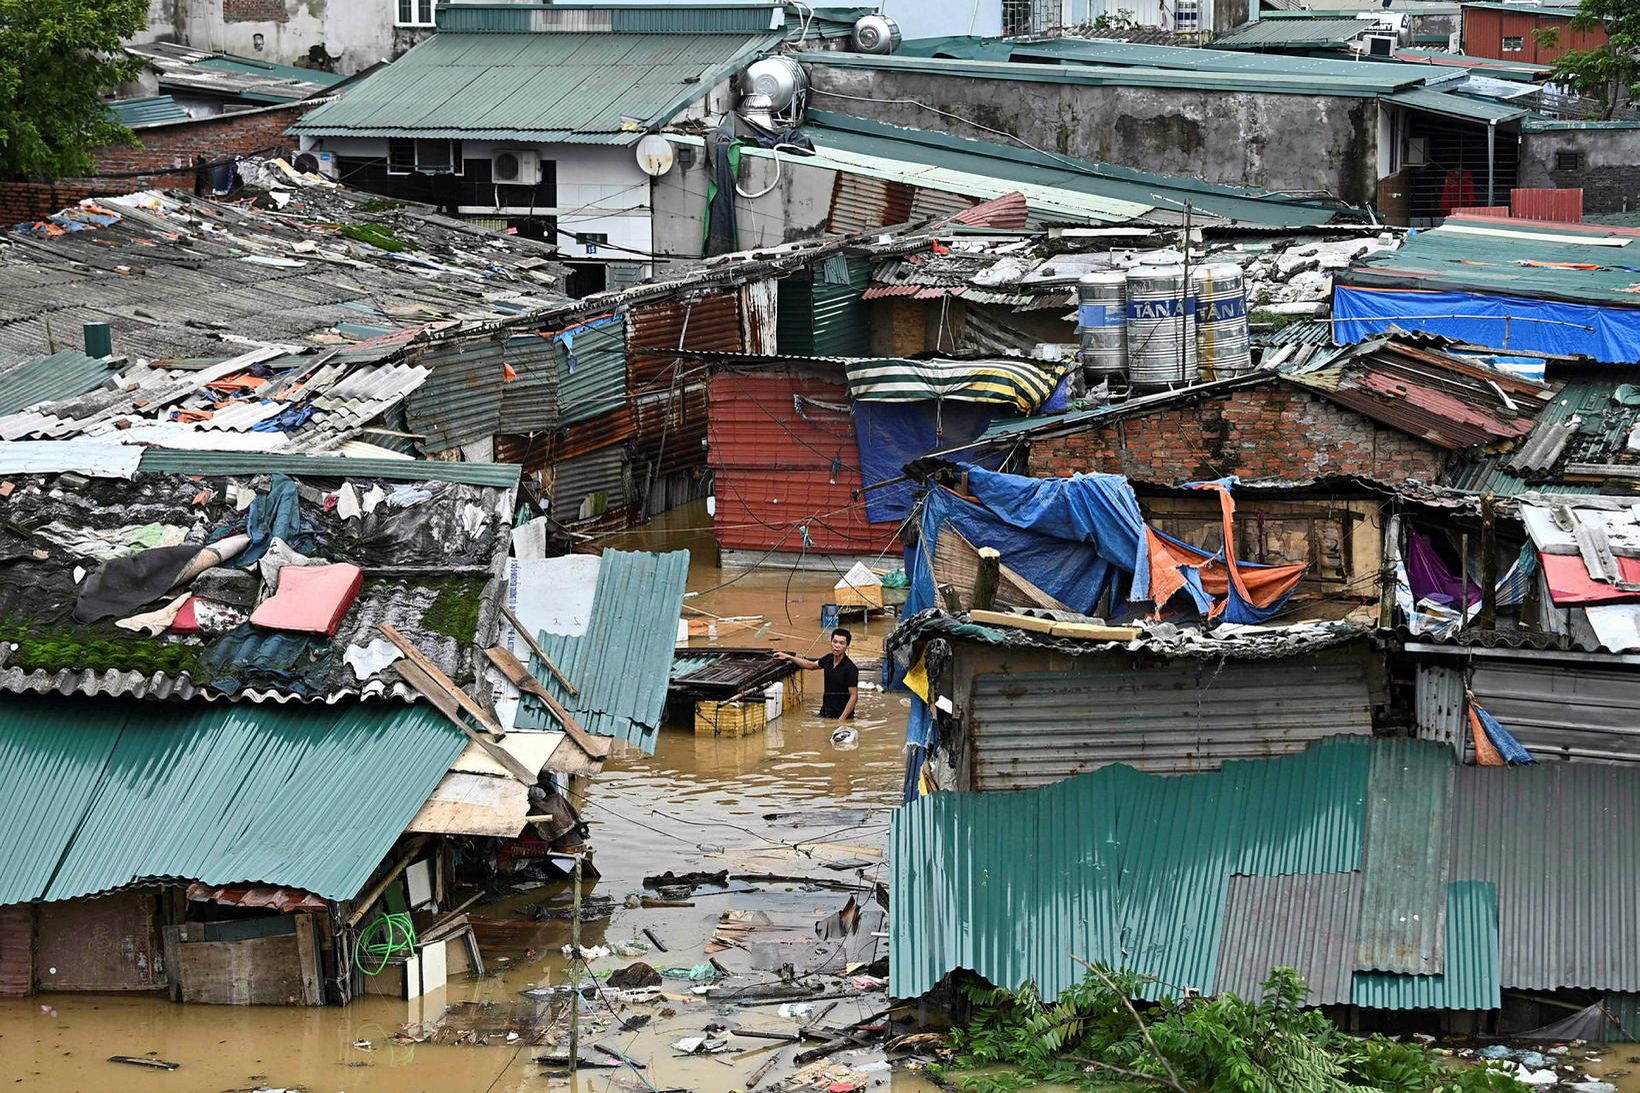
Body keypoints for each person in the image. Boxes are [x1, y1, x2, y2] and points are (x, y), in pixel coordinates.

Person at [775, 628, 858, 721]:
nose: (837, 645)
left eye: (841, 643)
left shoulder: (850, 668)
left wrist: (842, 719)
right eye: (835, 642)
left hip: (842, 716)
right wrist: (789, 657)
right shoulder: (828, 659)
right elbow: (810, 665)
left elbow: (854, 696)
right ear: (831, 642)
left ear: (847, 646)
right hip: (826, 712)